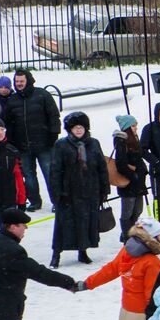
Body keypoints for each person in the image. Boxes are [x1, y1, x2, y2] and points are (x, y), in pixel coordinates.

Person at [49, 110, 109, 267]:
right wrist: (56, 194)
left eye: (81, 127)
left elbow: (102, 167)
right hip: (68, 193)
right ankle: (56, 254)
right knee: (63, 226)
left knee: (86, 223)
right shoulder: (61, 145)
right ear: (70, 129)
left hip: (90, 191)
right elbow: (55, 171)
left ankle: (83, 251)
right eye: (75, 127)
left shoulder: (93, 143)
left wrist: (104, 189)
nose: (78, 130)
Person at [2, 68, 61, 211]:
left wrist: (53, 135)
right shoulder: (12, 100)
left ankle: (57, 201)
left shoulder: (42, 95)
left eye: (22, 81)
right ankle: (34, 201)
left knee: (50, 174)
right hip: (22, 146)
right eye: (17, 81)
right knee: (28, 176)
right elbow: (7, 123)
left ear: (28, 80)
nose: (19, 84)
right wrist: (11, 141)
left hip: (44, 144)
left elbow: (54, 116)